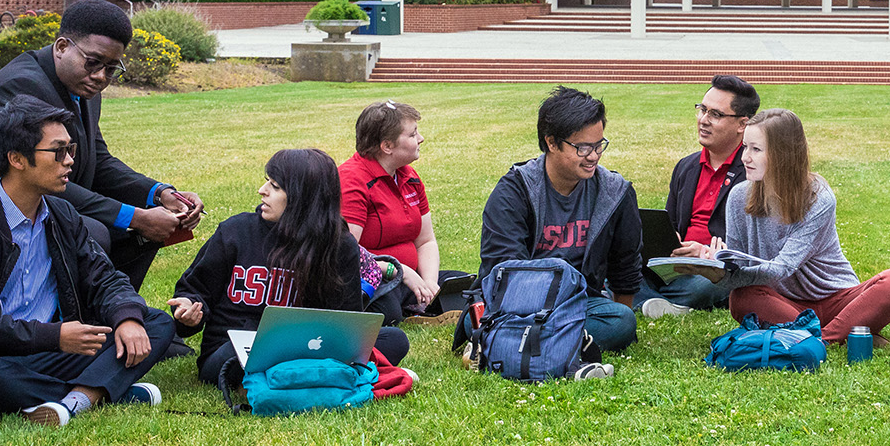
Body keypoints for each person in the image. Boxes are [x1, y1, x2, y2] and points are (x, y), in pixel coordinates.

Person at [0, 96, 174, 427]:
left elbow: (105, 278)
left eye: (72, 150)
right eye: (58, 152)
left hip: (53, 353)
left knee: (154, 324)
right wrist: (52, 336)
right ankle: (102, 392)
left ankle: (71, 401)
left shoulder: (62, 214)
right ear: (17, 159)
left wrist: (126, 317)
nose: (69, 162)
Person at [0, 0, 203, 293]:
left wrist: (159, 194)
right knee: (94, 233)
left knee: (137, 230)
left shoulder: (83, 87)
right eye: (93, 62)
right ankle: (69, 324)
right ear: (62, 47)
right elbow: (39, 174)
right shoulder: (22, 87)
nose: (101, 77)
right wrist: (136, 217)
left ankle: (111, 316)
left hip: (39, 203)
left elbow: (99, 160)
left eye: (111, 68)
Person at [170, 149, 409, 386]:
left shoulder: (338, 245)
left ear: (303, 197)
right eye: (267, 182)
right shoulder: (236, 232)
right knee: (229, 360)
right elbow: (194, 289)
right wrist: (188, 310)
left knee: (395, 340)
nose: (262, 191)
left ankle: (294, 373)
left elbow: (346, 322)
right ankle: (306, 375)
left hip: (306, 345)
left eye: (275, 186)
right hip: (234, 349)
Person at [677, 108, 890, 345]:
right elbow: (740, 273)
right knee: (741, 298)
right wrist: (716, 270)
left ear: (784, 156)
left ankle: (822, 339)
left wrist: (725, 276)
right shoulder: (738, 198)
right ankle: (846, 334)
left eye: (756, 149)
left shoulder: (818, 197)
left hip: (837, 299)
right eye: (745, 147)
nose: (744, 158)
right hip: (783, 305)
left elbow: (782, 268)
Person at [478, 86, 643, 355]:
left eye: (598, 145)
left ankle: (506, 343)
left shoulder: (615, 191)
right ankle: (535, 340)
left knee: (621, 322)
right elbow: (503, 268)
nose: (593, 156)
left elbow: (625, 262)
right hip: (519, 305)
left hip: (580, 302)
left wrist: (621, 317)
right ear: (552, 142)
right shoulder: (515, 190)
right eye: (582, 147)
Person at [638, 75, 756, 319]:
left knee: (710, 285)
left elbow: (755, 250)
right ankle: (659, 301)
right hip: (675, 263)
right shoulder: (687, 166)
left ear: (742, 124)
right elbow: (670, 225)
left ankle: (648, 301)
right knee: (621, 268)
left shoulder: (753, 171)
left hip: (714, 268)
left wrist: (706, 252)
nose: (703, 120)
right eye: (702, 109)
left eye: (715, 114)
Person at [340, 100, 464, 323]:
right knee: (387, 313)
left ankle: (424, 306)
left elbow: (425, 240)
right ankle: (413, 310)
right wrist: (401, 271)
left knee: (468, 285)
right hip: (373, 279)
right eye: (412, 134)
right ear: (387, 146)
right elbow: (347, 254)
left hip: (411, 279)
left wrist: (430, 284)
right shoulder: (352, 181)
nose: (421, 139)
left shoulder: (410, 177)